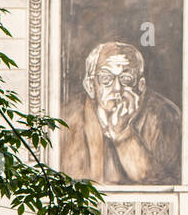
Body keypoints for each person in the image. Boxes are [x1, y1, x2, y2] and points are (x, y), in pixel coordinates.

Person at [61, 40, 181, 184]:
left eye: (126, 79)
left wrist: (123, 134)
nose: (117, 88)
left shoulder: (166, 115)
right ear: (90, 86)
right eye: (106, 78)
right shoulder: (66, 118)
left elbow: (158, 184)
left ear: (141, 86)